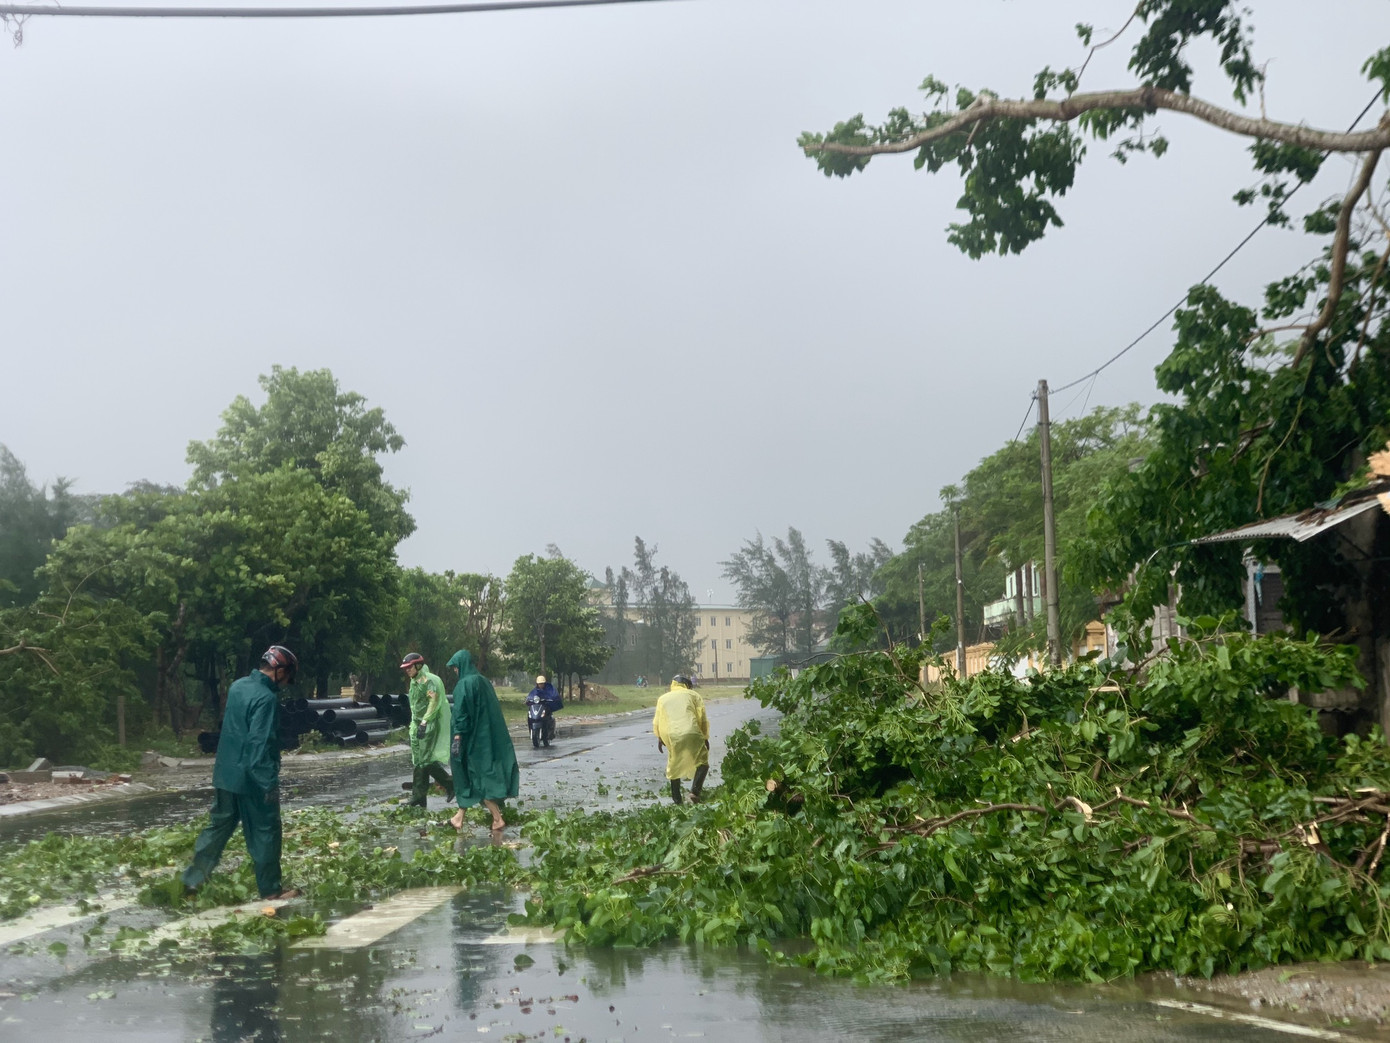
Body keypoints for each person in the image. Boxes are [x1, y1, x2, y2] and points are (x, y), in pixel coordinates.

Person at [182, 645, 300, 900]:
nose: (287, 682)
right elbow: (258, 744)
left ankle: (192, 882)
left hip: (225, 776)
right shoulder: (266, 699)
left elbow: (235, 731)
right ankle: (271, 891)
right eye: (288, 675)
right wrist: (268, 784)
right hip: (252, 780)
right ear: (280, 671)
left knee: (217, 829)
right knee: (266, 832)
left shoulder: (238, 686)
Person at [446, 648, 519, 831]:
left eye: (455, 667)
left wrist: (457, 738)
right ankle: (459, 817)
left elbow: (461, 714)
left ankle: (497, 818)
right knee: (476, 775)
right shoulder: (484, 681)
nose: (455, 670)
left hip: (470, 739)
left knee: (476, 777)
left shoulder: (463, 685)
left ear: (461, 665)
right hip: (487, 738)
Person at [402, 651, 454, 807]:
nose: (407, 670)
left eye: (409, 667)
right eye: (405, 668)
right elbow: (415, 705)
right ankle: (420, 798)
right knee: (419, 761)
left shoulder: (429, 680)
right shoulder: (414, 681)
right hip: (416, 724)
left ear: (418, 665)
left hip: (428, 724)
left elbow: (434, 703)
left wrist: (425, 722)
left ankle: (450, 784)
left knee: (425, 761)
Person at [653, 674, 709, 805]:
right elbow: (702, 718)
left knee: (674, 764)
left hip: (672, 734)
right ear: (687, 685)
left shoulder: (662, 698)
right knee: (702, 762)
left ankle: (677, 800)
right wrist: (705, 737)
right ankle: (694, 792)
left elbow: (658, 721)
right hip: (692, 731)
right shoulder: (694, 695)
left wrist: (660, 738)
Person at [525, 673, 563, 745]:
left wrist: (551, 699)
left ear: (544, 683)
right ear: (537, 684)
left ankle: (549, 732)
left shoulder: (549, 689)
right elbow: (530, 697)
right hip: (537, 708)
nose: (540, 685)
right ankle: (531, 731)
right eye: (539, 684)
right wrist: (527, 700)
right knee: (529, 716)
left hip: (545, 707)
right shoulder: (535, 691)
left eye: (542, 683)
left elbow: (554, 696)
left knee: (548, 717)